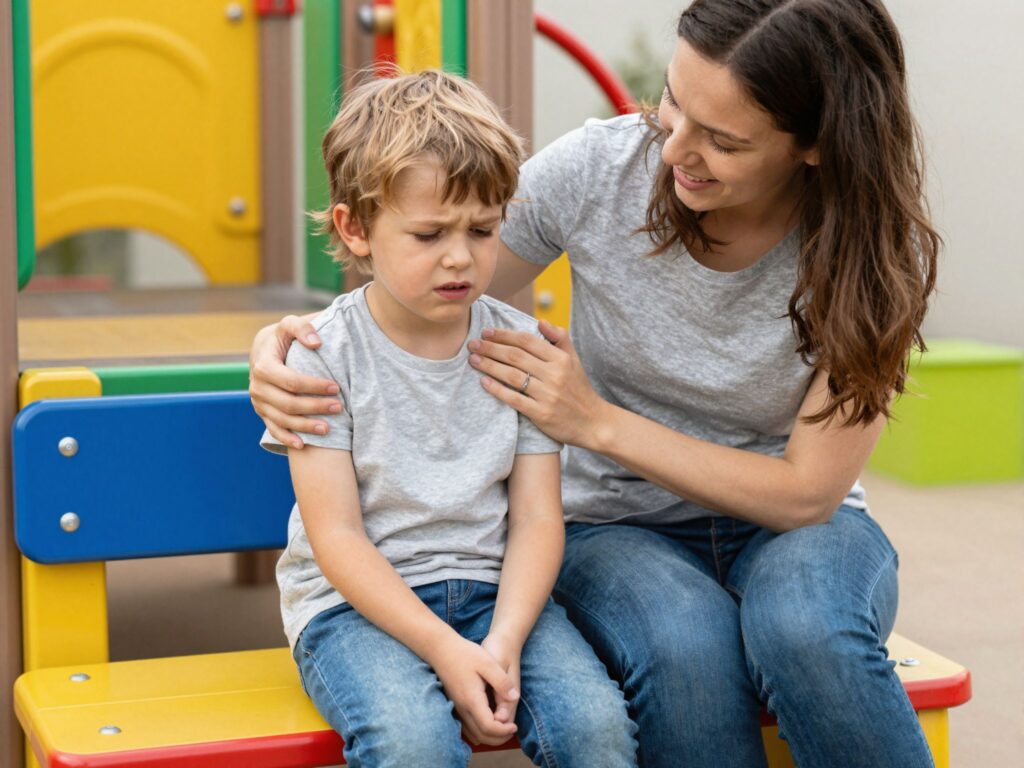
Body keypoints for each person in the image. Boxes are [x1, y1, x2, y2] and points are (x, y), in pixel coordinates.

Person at [251, 2, 940, 766]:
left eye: (723, 139)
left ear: (814, 145)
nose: (676, 148)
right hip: (618, 525)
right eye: (673, 101)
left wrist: (595, 422)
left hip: (796, 526)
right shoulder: (601, 169)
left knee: (807, 630)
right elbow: (424, 282)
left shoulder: (874, 248)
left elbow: (808, 492)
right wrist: (279, 346)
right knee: (683, 648)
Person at [259, 70, 638, 768]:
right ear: (356, 228)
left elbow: (536, 519)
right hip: (353, 612)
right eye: (429, 233)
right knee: (413, 745)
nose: (461, 256)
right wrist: (443, 648)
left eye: (483, 229)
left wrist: (503, 641)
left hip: (499, 597)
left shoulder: (517, 351)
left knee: (595, 728)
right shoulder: (324, 358)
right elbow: (336, 535)